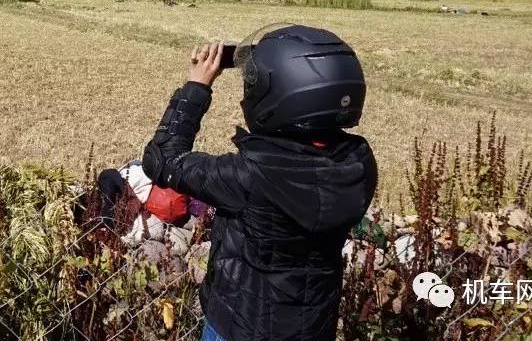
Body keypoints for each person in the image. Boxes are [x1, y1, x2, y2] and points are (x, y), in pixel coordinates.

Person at [142, 25, 376, 341]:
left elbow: (162, 160)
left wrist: (197, 86)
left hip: (239, 327)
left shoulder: (250, 176)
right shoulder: (358, 164)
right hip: (313, 328)